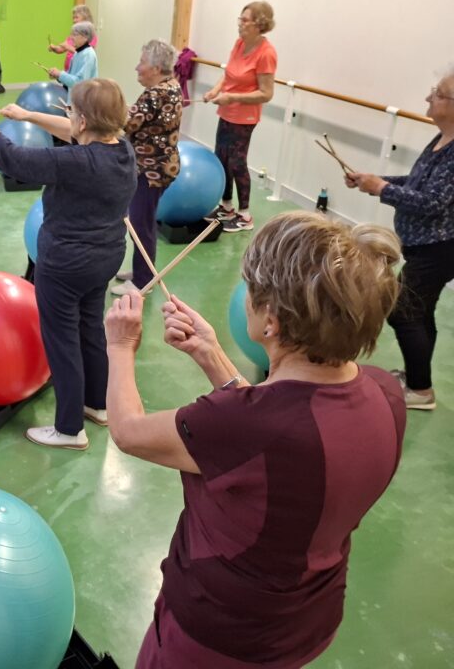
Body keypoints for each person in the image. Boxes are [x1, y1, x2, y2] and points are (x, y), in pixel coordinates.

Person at [103, 210, 406, 667]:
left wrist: (120, 345)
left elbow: (128, 432)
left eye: (250, 290)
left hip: (215, 636)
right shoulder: (385, 393)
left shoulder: (244, 426)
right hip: (301, 621)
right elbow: (276, 434)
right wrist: (211, 355)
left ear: (271, 323)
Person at [0, 79, 136, 450]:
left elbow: (7, 156)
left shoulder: (73, 163)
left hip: (66, 264)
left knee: (62, 341)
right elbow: (77, 132)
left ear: (82, 120)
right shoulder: (123, 150)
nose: (69, 117)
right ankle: (97, 404)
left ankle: (69, 429)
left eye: (71, 111)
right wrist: (28, 116)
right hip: (105, 258)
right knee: (90, 328)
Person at [344, 70, 454, 411]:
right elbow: (418, 182)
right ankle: (417, 378)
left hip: (439, 248)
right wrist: (375, 181)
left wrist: (382, 189)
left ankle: (420, 390)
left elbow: (433, 203)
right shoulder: (442, 139)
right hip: (425, 246)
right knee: (420, 311)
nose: (428, 98)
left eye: (438, 93)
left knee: (402, 311)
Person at [111, 40, 183, 296]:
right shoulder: (171, 86)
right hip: (162, 166)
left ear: (156, 68)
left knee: (141, 224)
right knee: (142, 221)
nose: (137, 67)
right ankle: (142, 270)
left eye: (141, 62)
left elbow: (126, 125)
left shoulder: (155, 94)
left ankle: (143, 281)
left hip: (151, 170)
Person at [202, 1, 278, 232]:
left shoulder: (266, 53)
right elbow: (228, 75)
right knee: (221, 158)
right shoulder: (239, 43)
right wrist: (215, 91)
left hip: (244, 117)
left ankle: (245, 215)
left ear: (259, 24)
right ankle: (226, 206)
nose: (240, 24)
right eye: (240, 19)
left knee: (237, 163)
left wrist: (232, 97)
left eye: (245, 20)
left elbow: (266, 93)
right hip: (227, 111)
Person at [48, 4, 99, 72]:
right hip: (70, 71)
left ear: (85, 18)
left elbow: (86, 54)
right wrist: (54, 48)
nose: (74, 20)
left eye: (76, 17)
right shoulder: (72, 36)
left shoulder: (91, 36)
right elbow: (61, 49)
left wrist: (68, 47)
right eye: (73, 18)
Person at [47, 22, 97, 89]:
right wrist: (57, 76)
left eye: (75, 35)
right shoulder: (77, 53)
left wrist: (60, 74)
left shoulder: (88, 55)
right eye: (72, 34)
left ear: (85, 37)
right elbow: (70, 77)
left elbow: (79, 82)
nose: (71, 38)